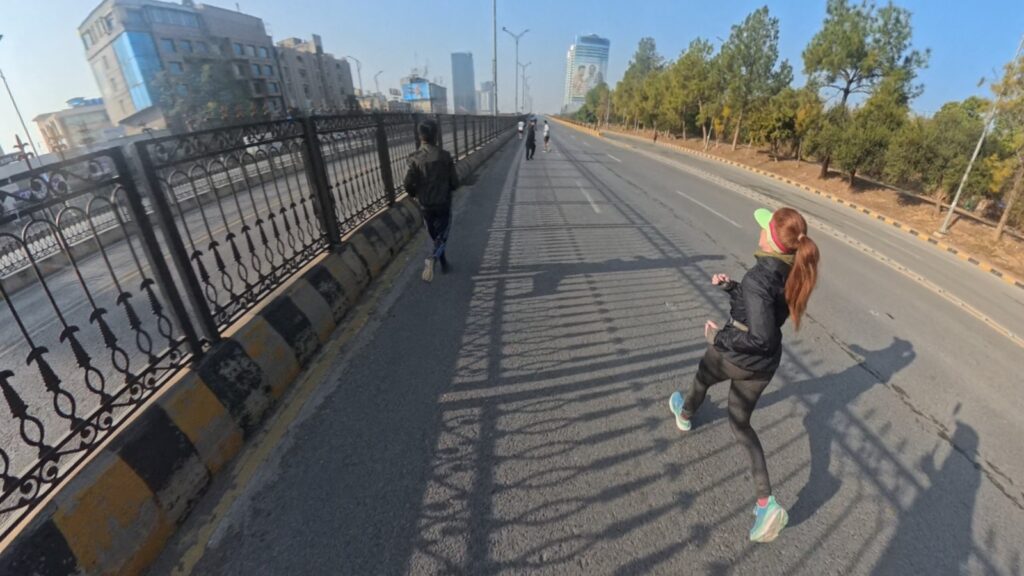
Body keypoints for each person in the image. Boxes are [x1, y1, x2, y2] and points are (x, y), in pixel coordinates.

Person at [668, 207, 820, 543]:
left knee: (702, 378)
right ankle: (766, 503)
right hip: (763, 366)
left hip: (736, 355)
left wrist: (717, 337)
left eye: (765, 227)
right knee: (740, 423)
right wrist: (731, 288)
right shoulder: (789, 270)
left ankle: (685, 413)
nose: (761, 230)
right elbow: (762, 310)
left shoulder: (760, 278)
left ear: (771, 240)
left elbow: (758, 334)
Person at [403, 120, 459, 282]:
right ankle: (434, 258)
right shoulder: (445, 156)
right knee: (443, 234)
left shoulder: (413, 158)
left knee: (433, 235)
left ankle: (443, 262)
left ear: (420, 136)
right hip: (443, 203)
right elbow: (454, 181)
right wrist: (452, 187)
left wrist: (414, 193)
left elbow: (407, 183)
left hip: (425, 204)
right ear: (436, 135)